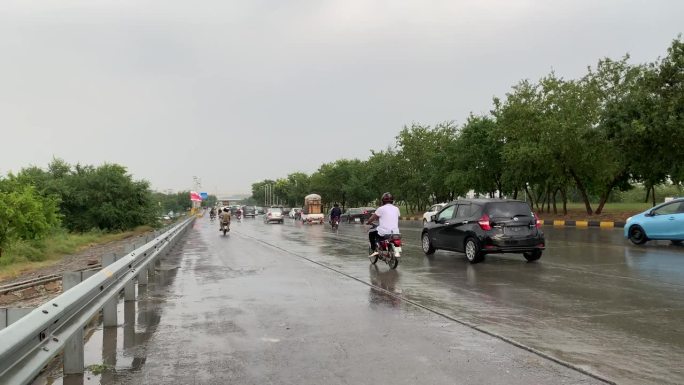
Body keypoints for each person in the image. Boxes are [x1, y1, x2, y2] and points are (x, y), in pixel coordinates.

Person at [365, 192, 400, 257]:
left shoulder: (381, 209)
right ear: (392, 201)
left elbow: (372, 218)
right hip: (396, 232)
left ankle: (374, 250)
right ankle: (389, 250)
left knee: (371, 234)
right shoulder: (396, 209)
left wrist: (368, 222)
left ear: (383, 201)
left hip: (384, 232)